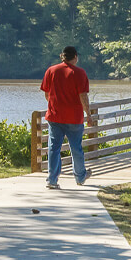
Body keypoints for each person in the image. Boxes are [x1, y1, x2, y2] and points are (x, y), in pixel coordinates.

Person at [40, 46, 94, 189]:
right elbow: (83, 96)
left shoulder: (51, 71)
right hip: (74, 118)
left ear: (61, 56)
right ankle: (80, 177)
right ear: (75, 57)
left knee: (54, 148)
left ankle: (52, 180)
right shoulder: (80, 73)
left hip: (54, 117)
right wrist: (88, 115)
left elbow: (47, 94)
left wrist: (56, 106)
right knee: (76, 147)